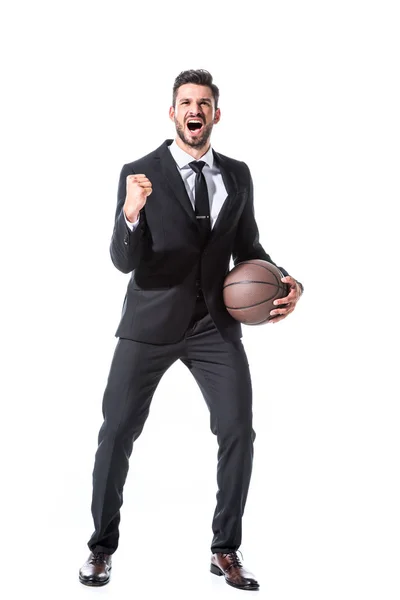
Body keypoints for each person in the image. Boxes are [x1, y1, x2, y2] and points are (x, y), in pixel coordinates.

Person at [78, 69, 303, 592]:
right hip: (149, 321)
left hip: (212, 326)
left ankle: (225, 548)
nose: (193, 110)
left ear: (215, 115)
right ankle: (100, 548)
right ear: (173, 112)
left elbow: (249, 250)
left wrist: (286, 280)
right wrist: (130, 214)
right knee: (116, 434)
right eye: (184, 102)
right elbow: (122, 261)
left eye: (203, 102)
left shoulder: (238, 175)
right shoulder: (139, 172)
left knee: (237, 431)